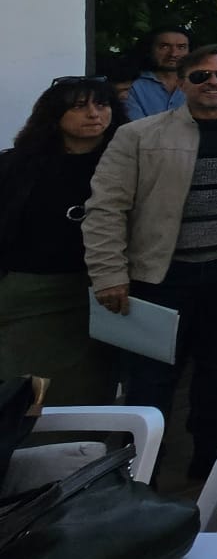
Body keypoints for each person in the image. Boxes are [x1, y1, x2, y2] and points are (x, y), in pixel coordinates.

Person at [83, 43, 217, 478]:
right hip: (158, 277)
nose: (214, 83)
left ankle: (209, 463)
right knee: (151, 379)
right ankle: (139, 471)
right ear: (182, 81)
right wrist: (109, 274)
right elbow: (106, 208)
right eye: (201, 76)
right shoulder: (139, 135)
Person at [0, 76, 124, 403]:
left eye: (102, 104)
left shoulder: (130, 163)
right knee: (21, 384)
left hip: (100, 289)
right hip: (30, 291)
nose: (94, 114)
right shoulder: (16, 164)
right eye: (79, 106)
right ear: (55, 114)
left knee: (87, 385)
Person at [124, 25, 190, 119]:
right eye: (165, 47)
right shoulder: (132, 85)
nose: (173, 54)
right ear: (150, 49)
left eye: (181, 47)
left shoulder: (199, 83)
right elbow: (136, 129)